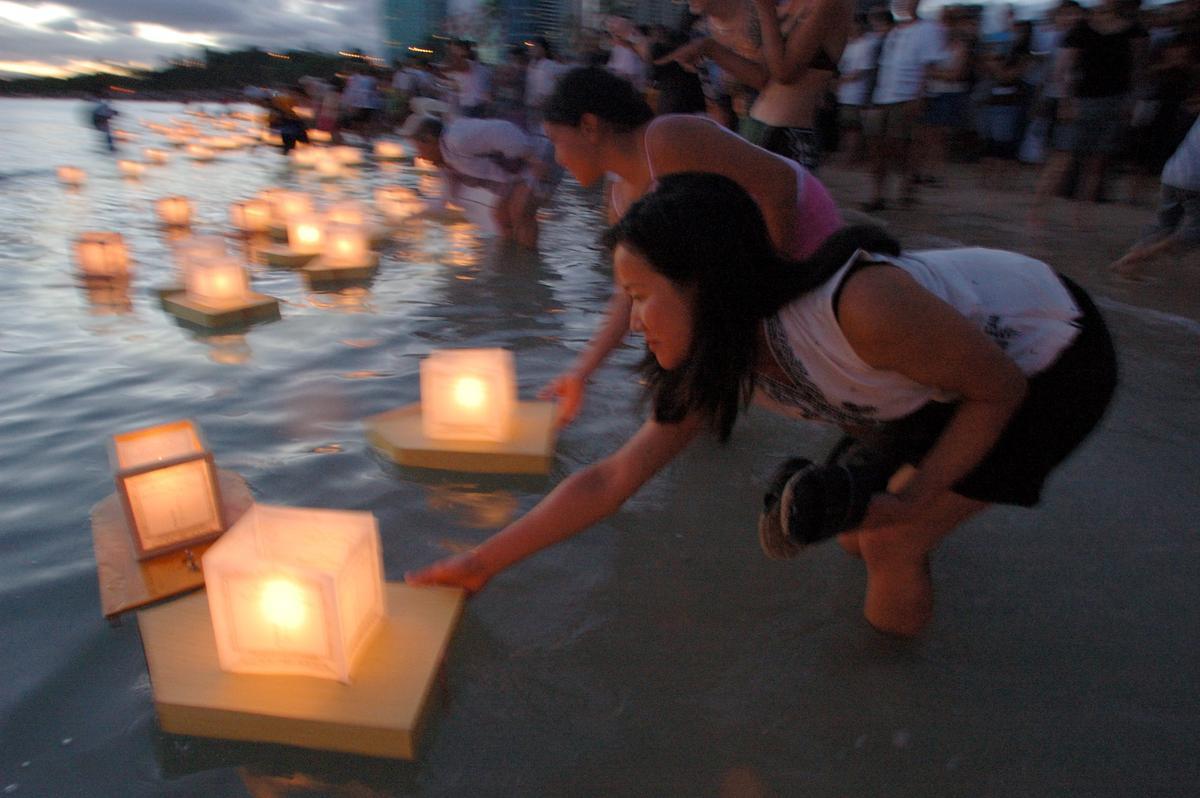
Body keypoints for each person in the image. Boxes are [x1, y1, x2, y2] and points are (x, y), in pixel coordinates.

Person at [409, 172, 1116, 637]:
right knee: (852, 529)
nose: (631, 320)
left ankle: (885, 701)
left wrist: (915, 499)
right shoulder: (717, 352)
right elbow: (610, 479)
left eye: (641, 295)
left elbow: (1000, 389)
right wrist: (482, 563)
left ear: (705, 283)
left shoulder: (859, 309)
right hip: (930, 383)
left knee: (888, 539)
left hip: (1050, 356)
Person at [537, 66, 843, 425]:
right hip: (742, 259)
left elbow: (780, 188)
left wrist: (768, 296)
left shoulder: (666, 139)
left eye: (555, 140)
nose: (556, 157)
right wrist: (580, 373)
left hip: (801, 234)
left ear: (589, 126)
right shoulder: (618, 199)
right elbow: (629, 293)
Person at [658, 0, 854, 170]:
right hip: (758, 129)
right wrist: (709, 48)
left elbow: (784, 73)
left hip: (789, 136)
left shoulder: (828, 3)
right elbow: (762, 77)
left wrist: (765, 8)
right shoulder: (793, 5)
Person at [409, 116, 560, 249]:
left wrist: (532, 158)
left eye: (419, 149)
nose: (420, 156)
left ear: (430, 140)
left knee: (520, 212)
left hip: (538, 155)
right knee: (501, 216)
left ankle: (529, 266)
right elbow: (446, 197)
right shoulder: (445, 162)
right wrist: (412, 218)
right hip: (515, 176)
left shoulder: (458, 138)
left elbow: (501, 130)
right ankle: (513, 263)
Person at [862, 0, 947, 210]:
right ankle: (879, 194)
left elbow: (928, 66)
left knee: (901, 146)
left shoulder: (927, 29)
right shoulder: (893, 32)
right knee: (877, 147)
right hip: (882, 97)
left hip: (905, 96)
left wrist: (919, 97)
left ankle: (905, 190)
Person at [1109, 113, 1200, 280]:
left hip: (1173, 172)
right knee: (1195, 231)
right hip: (1194, 181)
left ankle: (1129, 266)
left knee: (1163, 225)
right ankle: (1142, 255)